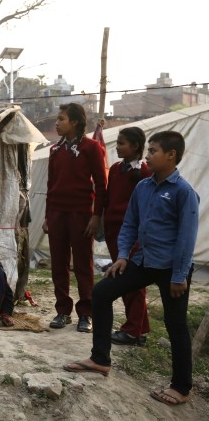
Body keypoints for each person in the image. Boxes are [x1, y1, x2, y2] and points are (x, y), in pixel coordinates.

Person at [64, 131, 199, 406]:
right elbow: (130, 225)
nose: (147, 156)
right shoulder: (144, 187)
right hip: (143, 261)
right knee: (102, 293)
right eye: (147, 151)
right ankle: (100, 359)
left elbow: (187, 238)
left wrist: (179, 276)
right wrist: (123, 256)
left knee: (176, 326)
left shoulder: (184, 193)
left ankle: (181, 387)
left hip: (172, 269)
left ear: (171, 155)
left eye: (153, 151)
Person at [43, 103, 107, 332]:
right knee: (58, 264)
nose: (57, 123)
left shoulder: (92, 148)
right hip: (57, 213)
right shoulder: (55, 150)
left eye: (61, 119)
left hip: (81, 214)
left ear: (75, 122)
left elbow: (101, 185)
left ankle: (86, 313)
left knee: (83, 264)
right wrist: (47, 216)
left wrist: (96, 216)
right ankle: (62, 310)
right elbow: (51, 185)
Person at [103, 127, 152, 346]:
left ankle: (132, 330)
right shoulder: (115, 169)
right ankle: (140, 329)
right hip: (114, 231)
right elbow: (109, 198)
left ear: (135, 146)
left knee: (132, 280)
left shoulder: (144, 173)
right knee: (125, 278)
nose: (118, 146)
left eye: (122, 143)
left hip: (132, 232)